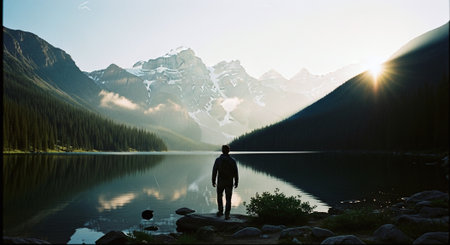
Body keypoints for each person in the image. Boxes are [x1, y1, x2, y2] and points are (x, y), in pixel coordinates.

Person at [212, 145, 239, 220]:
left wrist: (213, 180)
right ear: (228, 151)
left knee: (219, 196)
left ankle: (220, 211)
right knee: (228, 198)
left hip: (220, 182)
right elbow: (235, 172)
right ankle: (227, 215)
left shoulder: (218, 160)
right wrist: (236, 182)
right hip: (229, 182)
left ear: (222, 151)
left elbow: (214, 171)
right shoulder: (232, 160)